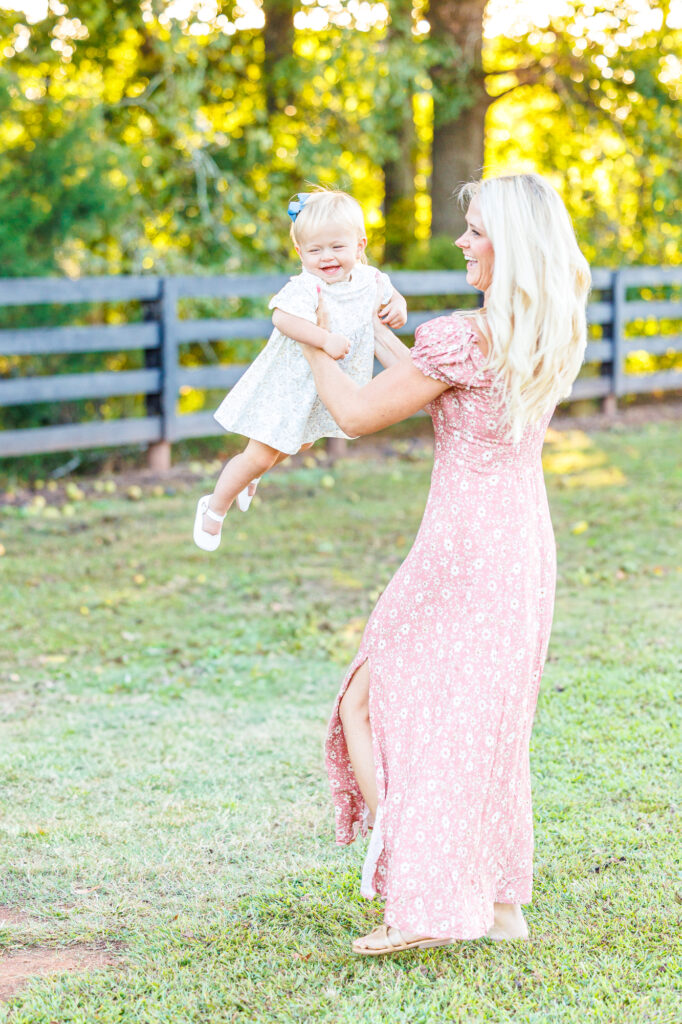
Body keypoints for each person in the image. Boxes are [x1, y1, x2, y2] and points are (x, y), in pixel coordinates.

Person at [302, 173, 591, 954]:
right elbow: (434, 385)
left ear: (512, 244)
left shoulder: (465, 334)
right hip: (522, 542)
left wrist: (310, 338)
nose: (462, 242)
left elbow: (359, 412)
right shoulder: (546, 326)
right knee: (486, 725)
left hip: (462, 545)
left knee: (372, 697)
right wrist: (368, 331)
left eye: (475, 231)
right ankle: (497, 906)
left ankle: (419, 899)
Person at [193, 189, 408, 551]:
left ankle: (251, 475)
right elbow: (283, 319)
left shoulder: (371, 279)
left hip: (323, 389)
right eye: (315, 250)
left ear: (360, 245)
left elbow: (390, 296)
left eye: (337, 247)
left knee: (301, 441)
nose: (326, 258)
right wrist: (323, 339)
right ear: (300, 253)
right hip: (289, 384)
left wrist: (397, 306)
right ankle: (214, 508)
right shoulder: (308, 287)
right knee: (260, 454)